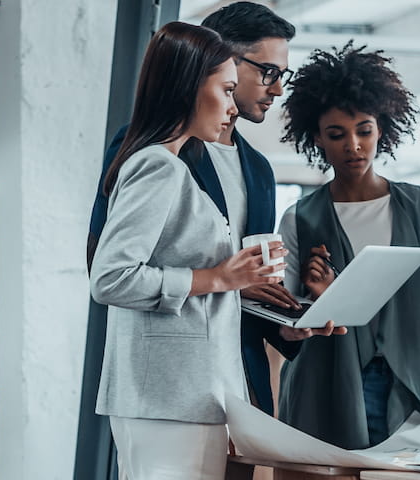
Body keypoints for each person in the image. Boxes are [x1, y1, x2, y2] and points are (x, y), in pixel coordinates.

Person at [87, 1, 338, 421]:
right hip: (171, 379)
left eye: (283, 75)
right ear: (221, 60)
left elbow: (250, 280)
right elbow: (105, 266)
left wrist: (287, 320)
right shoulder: (151, 150)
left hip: (241, 373)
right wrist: (220, 282)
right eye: (268, 72)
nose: (277, 88)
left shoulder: (258, 169)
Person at [272, 43, 420, 450]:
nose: (354, 145)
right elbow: (285, 325)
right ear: (317, 138)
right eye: (337, 134)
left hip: (404, 386)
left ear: (382, 127)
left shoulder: (417, 206)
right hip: (323, 389)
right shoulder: (300, 217)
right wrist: (318, 303)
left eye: (364, 130)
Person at [89, 21, 283, 479]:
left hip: (192, 394)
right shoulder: (158, 165)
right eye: (227, 90)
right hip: (165, 397)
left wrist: (243, 279)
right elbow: (110, 277)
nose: (233, 106)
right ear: (190, 86)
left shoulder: (173, 164)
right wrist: (218, 278)